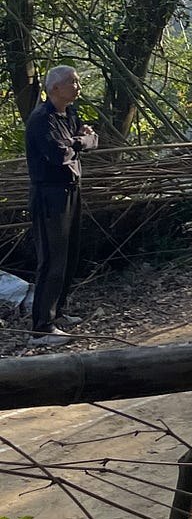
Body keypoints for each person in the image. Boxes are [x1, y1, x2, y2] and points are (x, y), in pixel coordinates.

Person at [25, 64, 98, 346]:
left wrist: (78, 141)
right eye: (73, 82)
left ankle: (58, 312)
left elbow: (92, 140)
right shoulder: (42, 119)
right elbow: (59, 154)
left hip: (71, 189)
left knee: (69, 254)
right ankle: (41, 328)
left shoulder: (69, 114)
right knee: (52, 259)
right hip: (49, 195)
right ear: (55, 88)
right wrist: (80, 142)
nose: (77, 87)